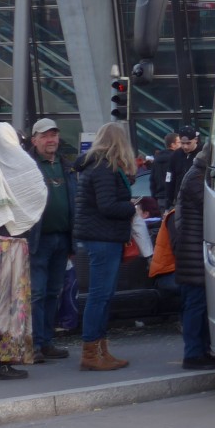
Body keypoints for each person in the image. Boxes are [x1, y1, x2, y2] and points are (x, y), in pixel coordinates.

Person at [74, 121, 138, 371]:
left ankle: (100, 349)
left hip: (102, 236)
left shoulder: (97, 166)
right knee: (100, 296)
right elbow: (108, 206)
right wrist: (132, 207)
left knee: (104, 295)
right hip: (103, 238)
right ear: (120, 142)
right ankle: (91, 352)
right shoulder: (103, 168)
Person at [0, 123, 48, 380]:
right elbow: (35, 191)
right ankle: (3, 361)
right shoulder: (13, 167)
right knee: (7, 306)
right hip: (9, 248)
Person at [27, 117, 76, 364]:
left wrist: (72, 240)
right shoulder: (27, 165)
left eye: (54, 135)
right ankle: (34, 344)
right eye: (46, 136)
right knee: (36, 293)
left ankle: (46, 342)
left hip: (61, 238)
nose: (51, 140)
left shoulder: (65, 166)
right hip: (37, 240)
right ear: (34, 139)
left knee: (53, 293)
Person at [174, 144, 215, 370]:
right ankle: (193, 354)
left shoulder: (198, 175)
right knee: (195, 304)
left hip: (194, 252)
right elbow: (212, 208)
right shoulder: (197, 178)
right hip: (193, 255)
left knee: (200, 305)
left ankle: (202, 350)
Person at [159, 126, 198, 210]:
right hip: (181, 201)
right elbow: (170, 180)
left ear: (196, 140)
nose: (185, 147)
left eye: (188, 143)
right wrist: (168, 205)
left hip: (198, 201)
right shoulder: (176, 155)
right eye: (182, 143)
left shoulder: (202, 154)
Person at [149, 132, 180, 207]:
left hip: (160, 198)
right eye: (179, 142)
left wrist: (154, 197)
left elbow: (152, 180)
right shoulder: (176, 158)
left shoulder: (156, 160)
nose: (182, 144)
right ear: (173, 145)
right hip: (174, 198)